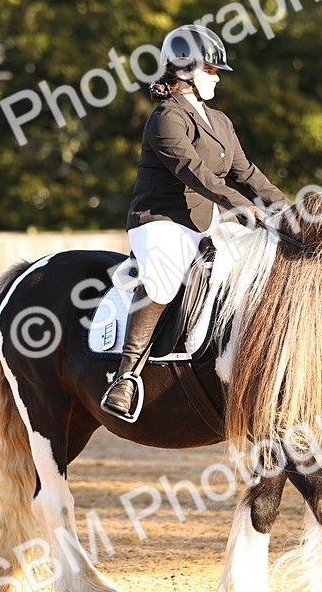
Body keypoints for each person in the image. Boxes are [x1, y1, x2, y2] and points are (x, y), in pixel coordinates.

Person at [100, 24, 291, 420]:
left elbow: (247, 171)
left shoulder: (220, 121)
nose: (217, 79)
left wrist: (288, 209)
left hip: (204, 219)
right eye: (212, 71)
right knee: (164, 279)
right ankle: (126, 378)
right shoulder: (165, 119)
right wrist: (242, 206)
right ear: (186, 70)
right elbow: (194, 171)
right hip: (160, 220)